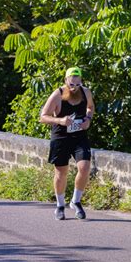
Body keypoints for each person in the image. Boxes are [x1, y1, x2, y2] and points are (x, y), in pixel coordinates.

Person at [40, 67, 95, 220]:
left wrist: (88, 120)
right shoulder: (57, 95)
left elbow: (90, 107)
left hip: (79, 136)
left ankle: (76, 201)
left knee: (84, 168)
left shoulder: (86, 92)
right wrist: (60, 120)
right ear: (66, 81)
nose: (74, 88)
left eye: (77, 85)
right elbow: (43, 116)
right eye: (71, 84)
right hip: (61, 137)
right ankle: (59, 205)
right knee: (61, 173)